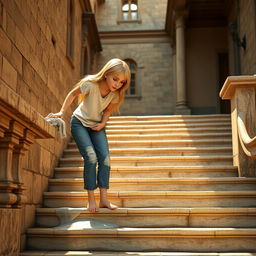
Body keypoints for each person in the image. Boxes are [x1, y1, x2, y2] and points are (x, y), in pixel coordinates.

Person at [48, 58, 131, 213]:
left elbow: (108, 111)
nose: (117, 84)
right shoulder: (90, 84)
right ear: (106, 74)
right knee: (91, 157)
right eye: (115, 79)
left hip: (96, 126)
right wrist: (61, 112)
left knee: (105, 159)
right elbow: (72, 94)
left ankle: (104, 199)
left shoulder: (115, 94)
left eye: (121, 82)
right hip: (79, 123)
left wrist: (103, 123)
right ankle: (91, 199)